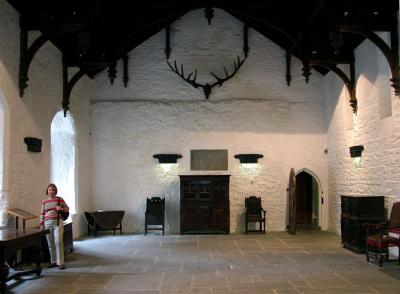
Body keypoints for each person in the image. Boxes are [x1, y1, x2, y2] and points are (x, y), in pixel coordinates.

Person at [40, 183, 69, 270]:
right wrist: (41, 224)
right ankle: (53, 261)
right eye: (49, 190)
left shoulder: (59, 199)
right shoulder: (45, 201)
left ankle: (61, 263)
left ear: (55, 191)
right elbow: (42, 213)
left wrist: (61, 209)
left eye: (53, 190)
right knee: (50, 243)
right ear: (47, 191)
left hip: (58, 222)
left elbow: (67, 208)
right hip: (47, 223)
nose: (51, 191)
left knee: (58, 242)